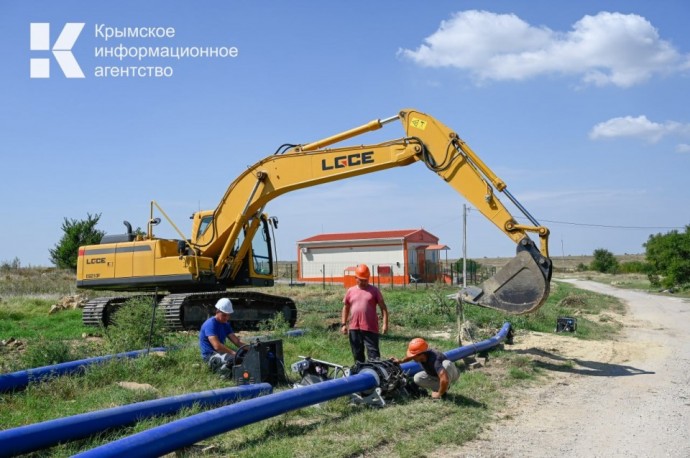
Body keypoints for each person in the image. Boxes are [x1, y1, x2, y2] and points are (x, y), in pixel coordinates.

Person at [341, 264, 389, 363]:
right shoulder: (350, 291)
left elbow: (383, 308)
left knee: (374, 356)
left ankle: (375, 375)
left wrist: (385, 324)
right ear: (356, 278)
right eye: (361, 280)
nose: (363, 282)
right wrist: (343, 324)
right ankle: (360, 375)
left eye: (365, 280)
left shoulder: (374, 291)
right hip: (354, 328)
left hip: (370, 328)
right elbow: (346, 308)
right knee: (357, 355)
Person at [392, 337, 459, 399]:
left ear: (421, 355)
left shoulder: (435, 360)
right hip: (435, 375)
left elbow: (444, 379)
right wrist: (401, 361)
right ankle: (442, 387)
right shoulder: (421, 354)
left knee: (446, 364)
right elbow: (411, 357)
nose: (412, 358)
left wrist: (439, 394)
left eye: (413, 356)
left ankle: (442, 391)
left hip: (451, 374)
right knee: (417, 378)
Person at [199, 298, 247, 375]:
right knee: (233, 358)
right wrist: (233, 353)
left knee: (246, 354)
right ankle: (221, 375)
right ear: (217, 311)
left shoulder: (225, 324)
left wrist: (251, 348)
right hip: (210, 356)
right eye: (224, 315)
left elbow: (237, 341)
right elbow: (217, 346)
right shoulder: (210, 324)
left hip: (221, 353)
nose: (227, 318)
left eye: (228, 315)